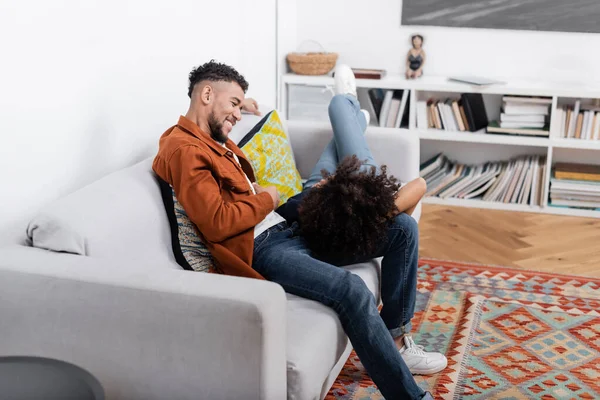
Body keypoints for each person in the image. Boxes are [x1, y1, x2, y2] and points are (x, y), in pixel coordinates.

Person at [152, 60, 440, 399]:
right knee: (350, 289)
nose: (236, 115)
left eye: (237, 107)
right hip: (266, 249)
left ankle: (397, 335)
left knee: (402, 229)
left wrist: (238, 103)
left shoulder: (212, 138)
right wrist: (269, 199)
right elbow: (217, 222)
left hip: (291, 227)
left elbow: (224, 124)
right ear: (206, 94)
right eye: (232, 105)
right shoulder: (184, 149)